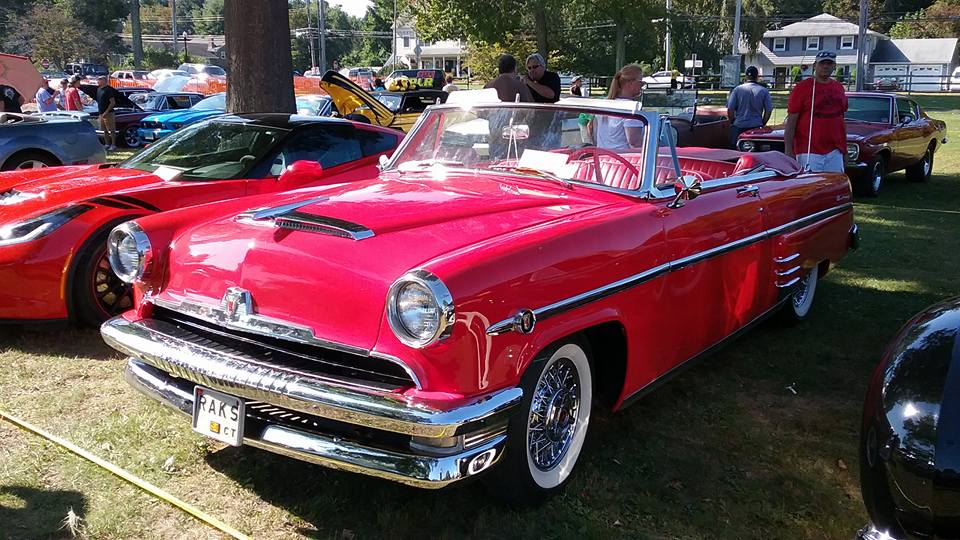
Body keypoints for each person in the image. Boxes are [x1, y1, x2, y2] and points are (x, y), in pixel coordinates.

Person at [784, 50, 848, 172]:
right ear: (815, 65)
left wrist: (844, 150)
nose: (825, 66)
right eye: (822, 63)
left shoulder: (838, 88)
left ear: (834, 66)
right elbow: (792, 121)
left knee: (834, 186)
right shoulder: (802, 87)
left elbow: (842, 120)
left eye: (829, 63)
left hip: (835, 150)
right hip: (809, 150)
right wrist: (788, 150)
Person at [589, 63, 645, 150]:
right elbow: (635, 143)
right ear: (631, 83)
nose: (642, 86)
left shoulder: (603, 104)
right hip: (624, 160)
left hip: (603, 159)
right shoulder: (632, 107)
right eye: (641, 83)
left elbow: (593, 132)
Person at [726, 65, 773, 148]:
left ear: (746, 76)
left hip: (739, 125)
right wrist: (762, 122)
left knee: (734, 151)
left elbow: (730, 109)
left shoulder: (737, 90)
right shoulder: (764, 91)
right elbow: (768, 110)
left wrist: (733, 121)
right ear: (757, 76)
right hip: (756, 126)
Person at [95, 76, 119, 150]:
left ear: (104, 81)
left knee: (111, 130)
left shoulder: (108, 90)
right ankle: (107, 144)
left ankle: (113, 145)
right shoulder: (99, 89)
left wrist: (106, 111)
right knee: (104, 130)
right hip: (101, 113)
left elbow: (112, 102)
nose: (98, 81)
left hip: (109, 113)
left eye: (100, 80)